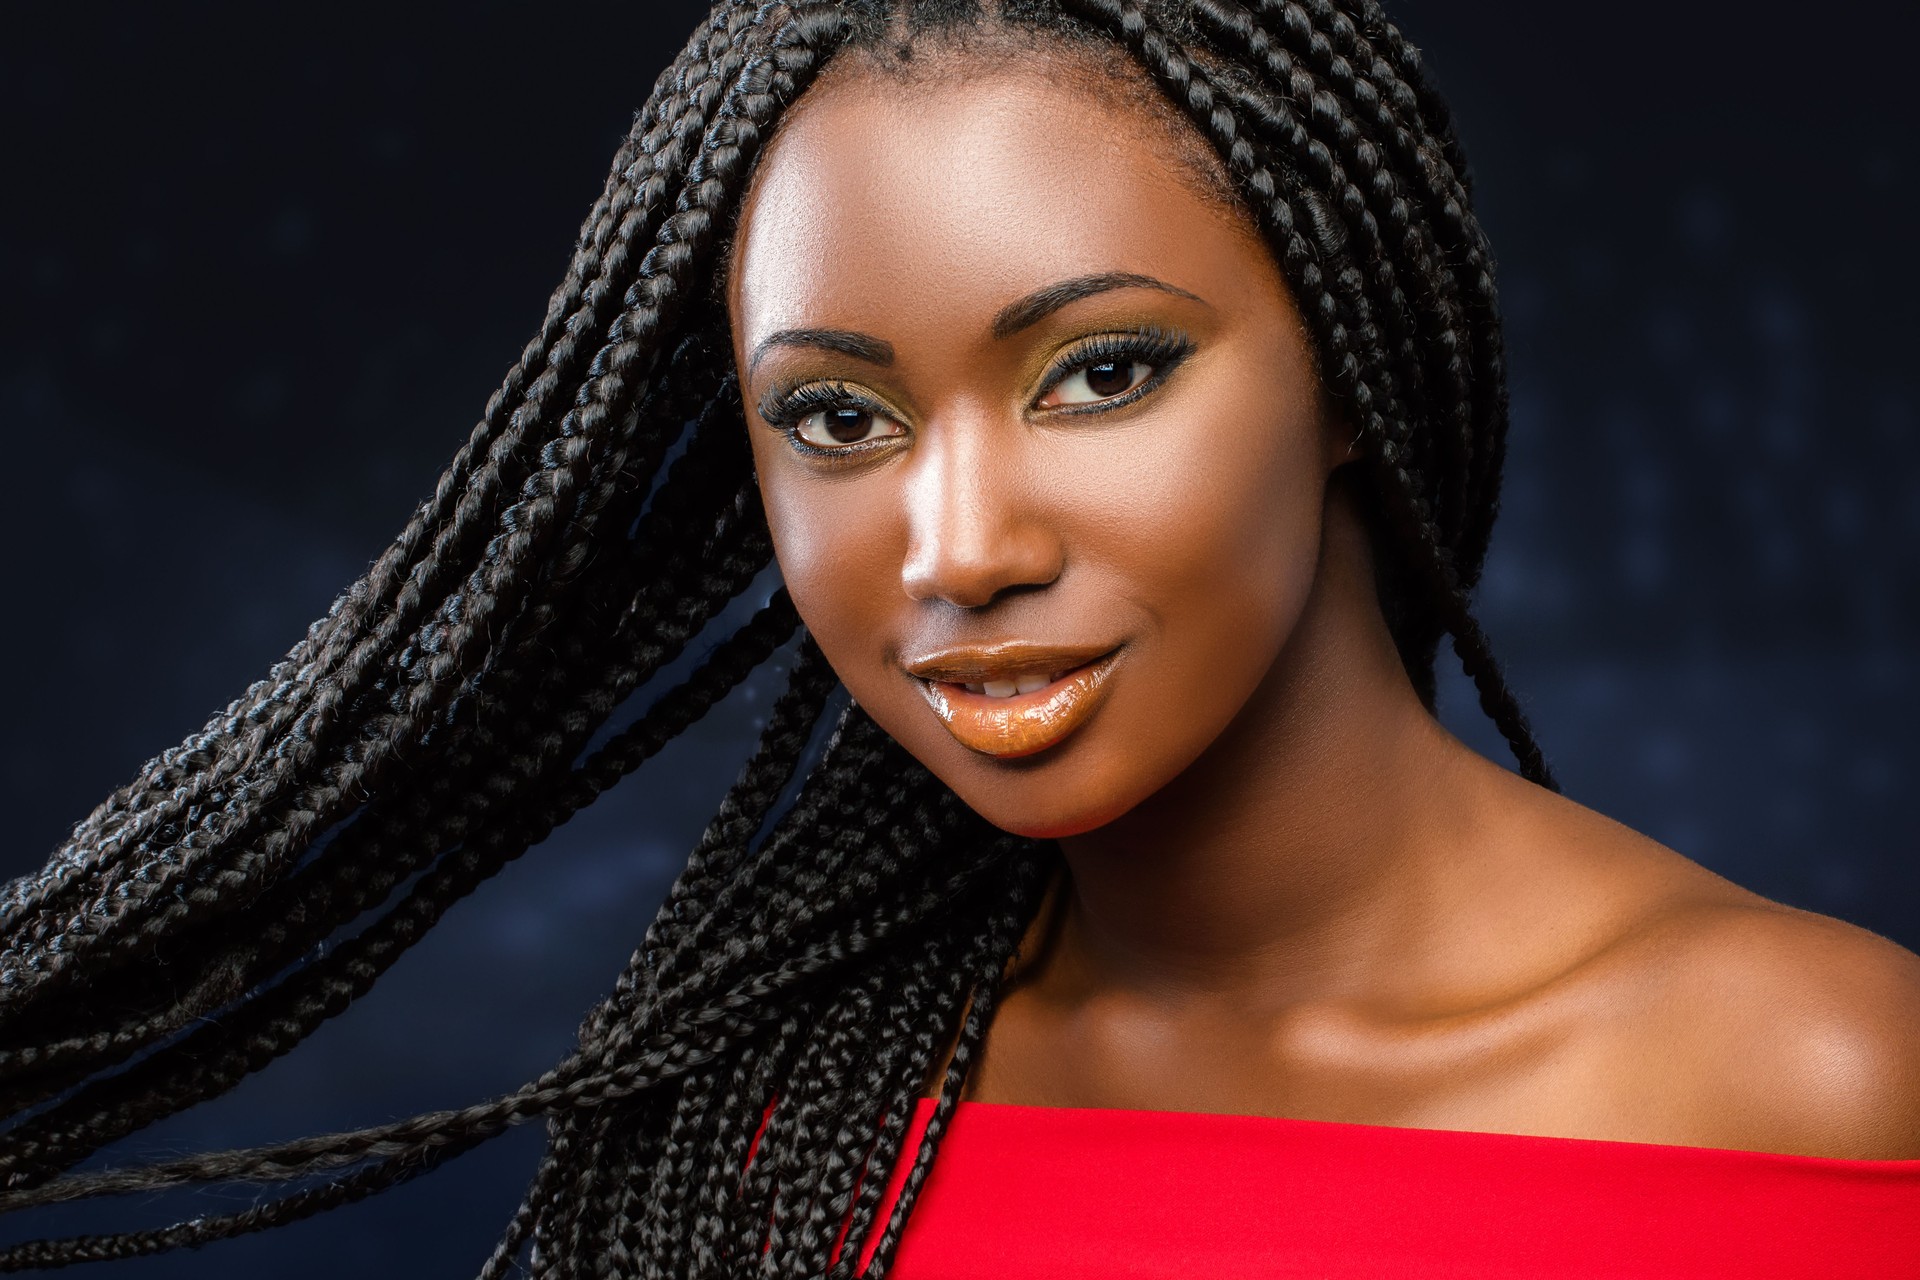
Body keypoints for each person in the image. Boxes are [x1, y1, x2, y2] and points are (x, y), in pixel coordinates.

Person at [0, 0, 1914, 1276]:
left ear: (1345, 365)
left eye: (1104, 371)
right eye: (839, 417)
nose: (958, 550)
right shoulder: (766, 1135)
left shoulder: (1820, 1089)